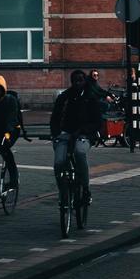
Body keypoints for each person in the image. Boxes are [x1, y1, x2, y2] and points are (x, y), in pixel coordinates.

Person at [50, 69, 101, 206]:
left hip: (84, 134)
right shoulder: (64, 98)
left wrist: (84, 131)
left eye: (80, 80)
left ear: (85, 81)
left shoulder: (91, 98)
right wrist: (55, 134)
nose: (78, 83)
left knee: (79, 152)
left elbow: (97, 122)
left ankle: (85, 189)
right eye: (75, 81)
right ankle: (62, 192)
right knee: (59, 162)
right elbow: (55, 118)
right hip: (65, 134)